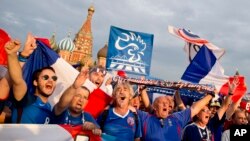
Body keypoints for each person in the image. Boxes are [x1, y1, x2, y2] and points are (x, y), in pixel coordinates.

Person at [137, 89, 214, 141]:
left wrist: (211, 95)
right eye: (162, 103)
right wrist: (142, 90)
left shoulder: (176, 118)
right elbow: (129, 108)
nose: (166, 105)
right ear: (155, 107)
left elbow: (195, 108)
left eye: (167, 103)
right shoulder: (146, 118)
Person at [52, 67, 101, 135]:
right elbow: (62, 103)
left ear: (87, 102)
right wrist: (74, 87)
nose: (81, 100)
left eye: (85, 97)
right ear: (71, 97)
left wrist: (94, 128)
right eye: (78, 96)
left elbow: (99, 132)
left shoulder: (87, 116)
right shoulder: (61, 111)